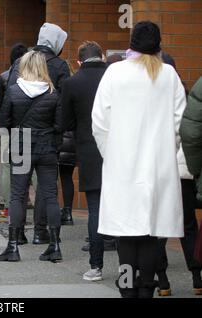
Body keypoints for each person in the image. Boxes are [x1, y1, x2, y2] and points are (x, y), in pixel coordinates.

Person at [92, 21, 187, 298]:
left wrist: (113, 153)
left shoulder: (114, 72)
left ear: (131, 43)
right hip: (157, 167)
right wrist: (167, 150)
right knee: (149, 235)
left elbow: (99, 122)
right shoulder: (168, 75)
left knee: (125, 235)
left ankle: (126, 289)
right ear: (158, 45)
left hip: (122, 166)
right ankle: (146, 288)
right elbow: (179, 121)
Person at [7, 23, 71, 245]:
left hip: (21, 139)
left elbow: (4, 105)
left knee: (18, 191)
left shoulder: (19, 63)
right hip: (47, 139)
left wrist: (13, 130)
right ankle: (41, 233)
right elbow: (63, 108)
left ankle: (16, 237)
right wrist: (57, 133)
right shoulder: (60, 66)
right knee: (47, 190)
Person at [0, 51, 62, 262]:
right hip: (47, 147)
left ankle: (13, 246)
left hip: (21, 145)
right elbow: (60, 124)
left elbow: (4, 121)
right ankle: (54, 245)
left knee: (17, 195)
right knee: (50, 196)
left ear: (23, 67)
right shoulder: (53, 93)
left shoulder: (14, 91)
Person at [62, 41, 108, 281]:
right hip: (119, 150)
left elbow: (65, 122)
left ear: (79, 61)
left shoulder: (72, 83)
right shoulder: (113, 78)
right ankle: (134, 266)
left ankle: (96, 266)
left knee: (95, 210)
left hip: (89, 151)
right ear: (102, 56)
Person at [0, 43, 29, 238]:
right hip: (29, 130)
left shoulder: (3, 78)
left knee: (6, 167)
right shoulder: (34, 78)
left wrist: (3, 125)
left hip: (7, 130)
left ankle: (7, 206)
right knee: (29, 167)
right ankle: (31, 203)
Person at [180, 75, 202, 296]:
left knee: (157, 230)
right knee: (188, 226)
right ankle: (197, 277)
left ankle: (162, 281)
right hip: (183, 173)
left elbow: (192, 134)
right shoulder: (186, 96)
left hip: (165, 173)